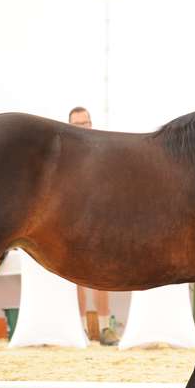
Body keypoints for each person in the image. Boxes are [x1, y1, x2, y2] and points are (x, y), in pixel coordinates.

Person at [68, 107, 118, 346]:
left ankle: (106, 328)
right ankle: (80, 329)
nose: (83, 127)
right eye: (77, 124)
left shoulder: (103, 152)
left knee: (101, 275)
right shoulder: (65, 158)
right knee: (75, 277)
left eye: (86, 122)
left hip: (101, 221)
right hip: (71, 222)